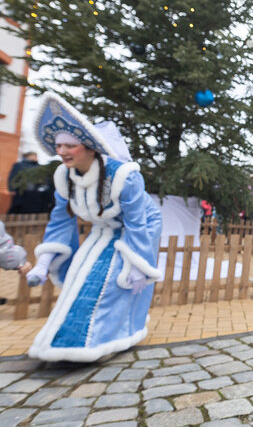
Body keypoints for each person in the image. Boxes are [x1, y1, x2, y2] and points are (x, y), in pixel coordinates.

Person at [19, 92, 162, 362]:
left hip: (140, 226)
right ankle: (70, 342)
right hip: (103, 228)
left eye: (69, 146)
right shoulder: (64, 176)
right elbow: (60, 220)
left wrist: (139, 264)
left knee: (113, 278)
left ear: (89, 148)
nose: (61, 152)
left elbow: (137, 223)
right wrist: (43, 262)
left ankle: (107, 340)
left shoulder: (124, 176)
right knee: (81, 274)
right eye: (58, 146)